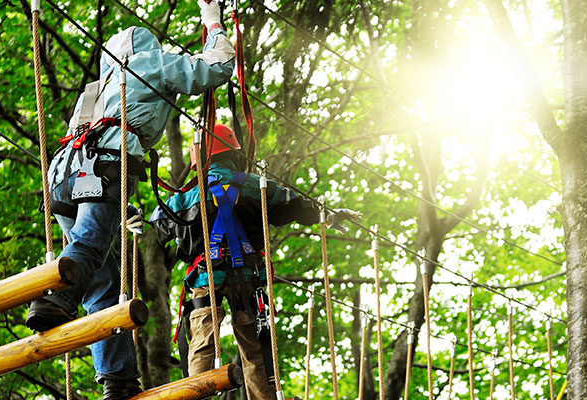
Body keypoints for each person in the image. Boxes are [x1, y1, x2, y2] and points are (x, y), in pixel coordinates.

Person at [23, 2, 235, 399]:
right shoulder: (148, 64)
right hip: (106, 164)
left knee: (102, 283)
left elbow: (91, 169)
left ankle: (118, 380)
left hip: (63, 178)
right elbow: (218, 65)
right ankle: (55, 295)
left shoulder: (95, 89)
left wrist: (125, 209)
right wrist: (212, 20)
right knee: (90, 244)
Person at [149, 124, 361, 400]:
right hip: (249, 280)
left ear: (198, 160)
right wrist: (330, 217)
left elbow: (158, 223)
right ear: (234, 154)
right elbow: (296, 206)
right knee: (256, 352)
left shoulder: (185, 197)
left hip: (206, 278)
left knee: (202, 344)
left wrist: (134, 219)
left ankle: (194, 397)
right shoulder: (256, 186)